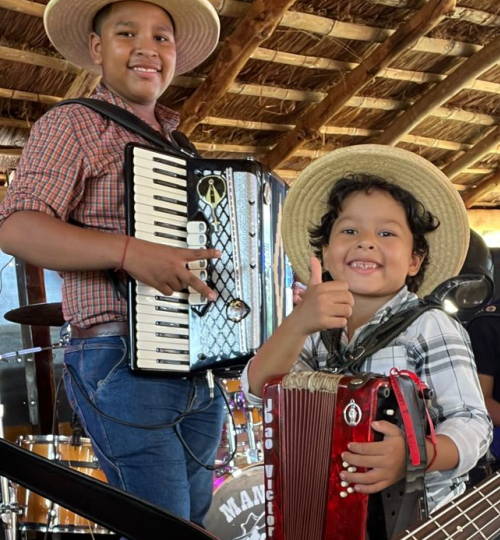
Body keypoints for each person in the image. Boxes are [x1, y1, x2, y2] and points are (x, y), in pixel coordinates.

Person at [0, 0, 225, 527]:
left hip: (197, 366)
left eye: (162, 38)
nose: (148, 48)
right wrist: (128, 251)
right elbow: (16, 227)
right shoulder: (74, 124)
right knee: (161, 526)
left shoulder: (184, 148)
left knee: (190, 522)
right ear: (98, 50)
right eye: (127, 34)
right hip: (119, 356)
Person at [241, 144, 492, 513]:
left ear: (414, 260)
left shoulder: (429, 325)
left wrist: (415, 453)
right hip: (323, 509)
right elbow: (260, 391)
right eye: (350, 230)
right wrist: (296, 324)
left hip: (419, 523)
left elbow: (473, 423)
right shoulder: (311, 330)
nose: (366, 241)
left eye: (387, 234)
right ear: (325, 254)